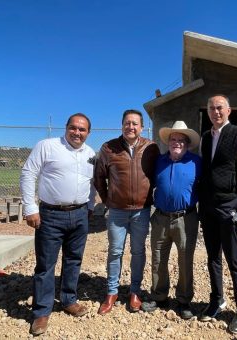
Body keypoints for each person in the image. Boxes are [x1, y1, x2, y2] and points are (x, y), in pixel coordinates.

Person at [20, 113, 96, 336]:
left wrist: (91, 206)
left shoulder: (90, 154)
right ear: (66, 128)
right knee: (45, 264)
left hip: (80, 214)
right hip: (50, 215)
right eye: (73, 128)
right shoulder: (47, 146)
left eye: (82, 130)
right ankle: (42, 311)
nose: (77, 133)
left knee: (74, 259)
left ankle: (68, 299)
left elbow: (92, 184)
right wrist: (30, 208)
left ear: (88, 133)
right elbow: (28, 173)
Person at [198, 95, 237, 334]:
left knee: (234, 259)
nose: (215, 112)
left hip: (229, 205)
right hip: (208, 205)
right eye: (211, 108)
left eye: (219, 107)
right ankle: (217, 299)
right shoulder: (204, 137)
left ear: (229, 110)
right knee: (212, 256)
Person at [94, 109, 160, 314]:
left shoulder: (151, 147)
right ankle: (112, 292)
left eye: (135, 124)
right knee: (115, 252)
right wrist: (108, 200)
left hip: (142, 211)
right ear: (121, 125)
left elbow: (158, 175)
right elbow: (99, 178)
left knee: (138, 251)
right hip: (117, 212)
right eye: (127, 123)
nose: (131, 127)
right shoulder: (108, 148)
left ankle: (135, 291)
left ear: (141, 127)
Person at [142, 121, 201, 319]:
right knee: (158, 258)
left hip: (186, 218)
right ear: (168, 142)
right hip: (160, 217)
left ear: (187, 143)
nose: (176, 142)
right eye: (173, 139)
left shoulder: (196, 162)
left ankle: (184, 300)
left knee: (185, 260)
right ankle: (159, 296)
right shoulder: (159, 161)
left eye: (180, 140)